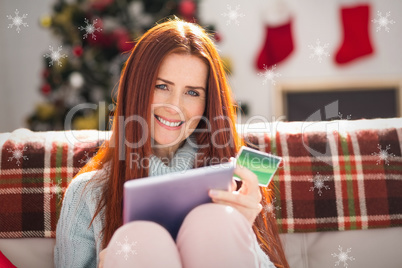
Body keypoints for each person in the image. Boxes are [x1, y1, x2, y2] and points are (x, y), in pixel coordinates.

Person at [54, 18, 289, 268]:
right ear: (136, 88)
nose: (174, 107)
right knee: (138, 241)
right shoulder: (86, 193)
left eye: (192, 92)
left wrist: (244, 231)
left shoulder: (239, 180)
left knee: (217, 221)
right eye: (162, 86)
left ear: (208, 102)